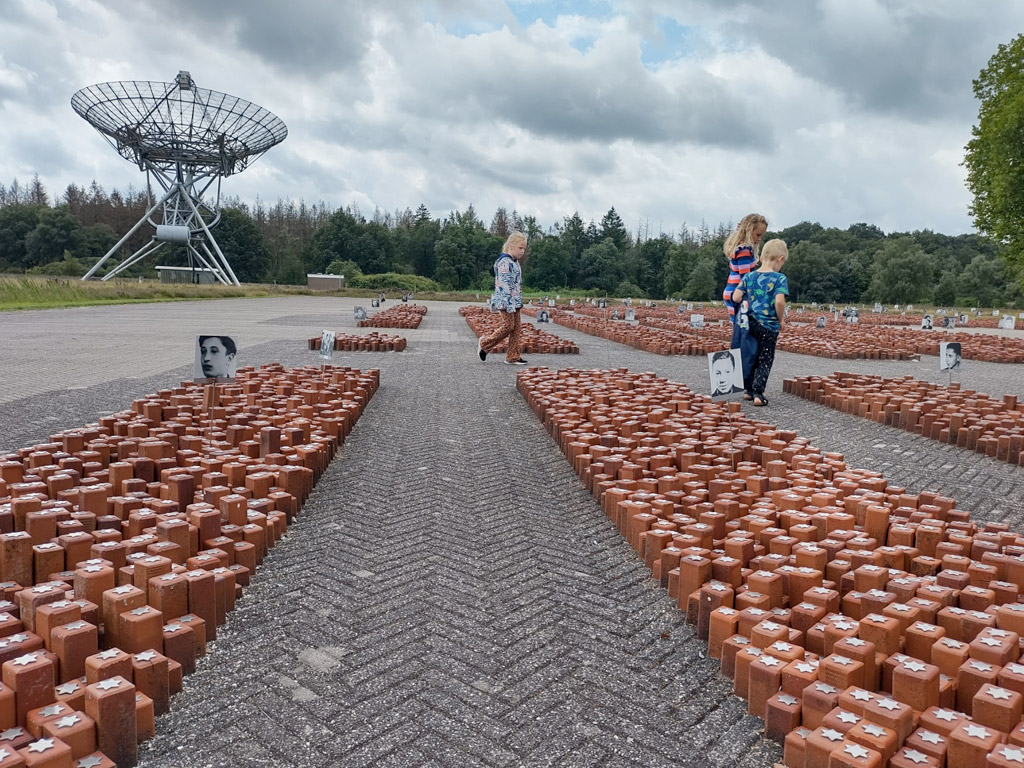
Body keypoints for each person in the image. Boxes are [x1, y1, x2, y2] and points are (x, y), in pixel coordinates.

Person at [732, 239, 789, 407]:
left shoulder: (749, 276)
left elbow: (736, 297)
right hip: (769, 326)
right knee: (765, 358)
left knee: (752, 355)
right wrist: (781, 319)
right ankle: (758, 393)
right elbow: (779, 302)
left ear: (762, 257)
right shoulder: (779, 278)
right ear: (780, 259)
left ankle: (748, 390)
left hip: (750, 323)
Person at [479, 232, 528, 365]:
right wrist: (509, 304)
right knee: (508, 326)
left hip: (515, 301)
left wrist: (517, 301)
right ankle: (485, 344)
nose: (522, 251)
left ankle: (512, 356)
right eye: (520, 248)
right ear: (510, 246)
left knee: (516, 328)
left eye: (524, 248)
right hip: (506, 302)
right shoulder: (505, 262)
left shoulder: (515, 262)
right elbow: (505, 285)